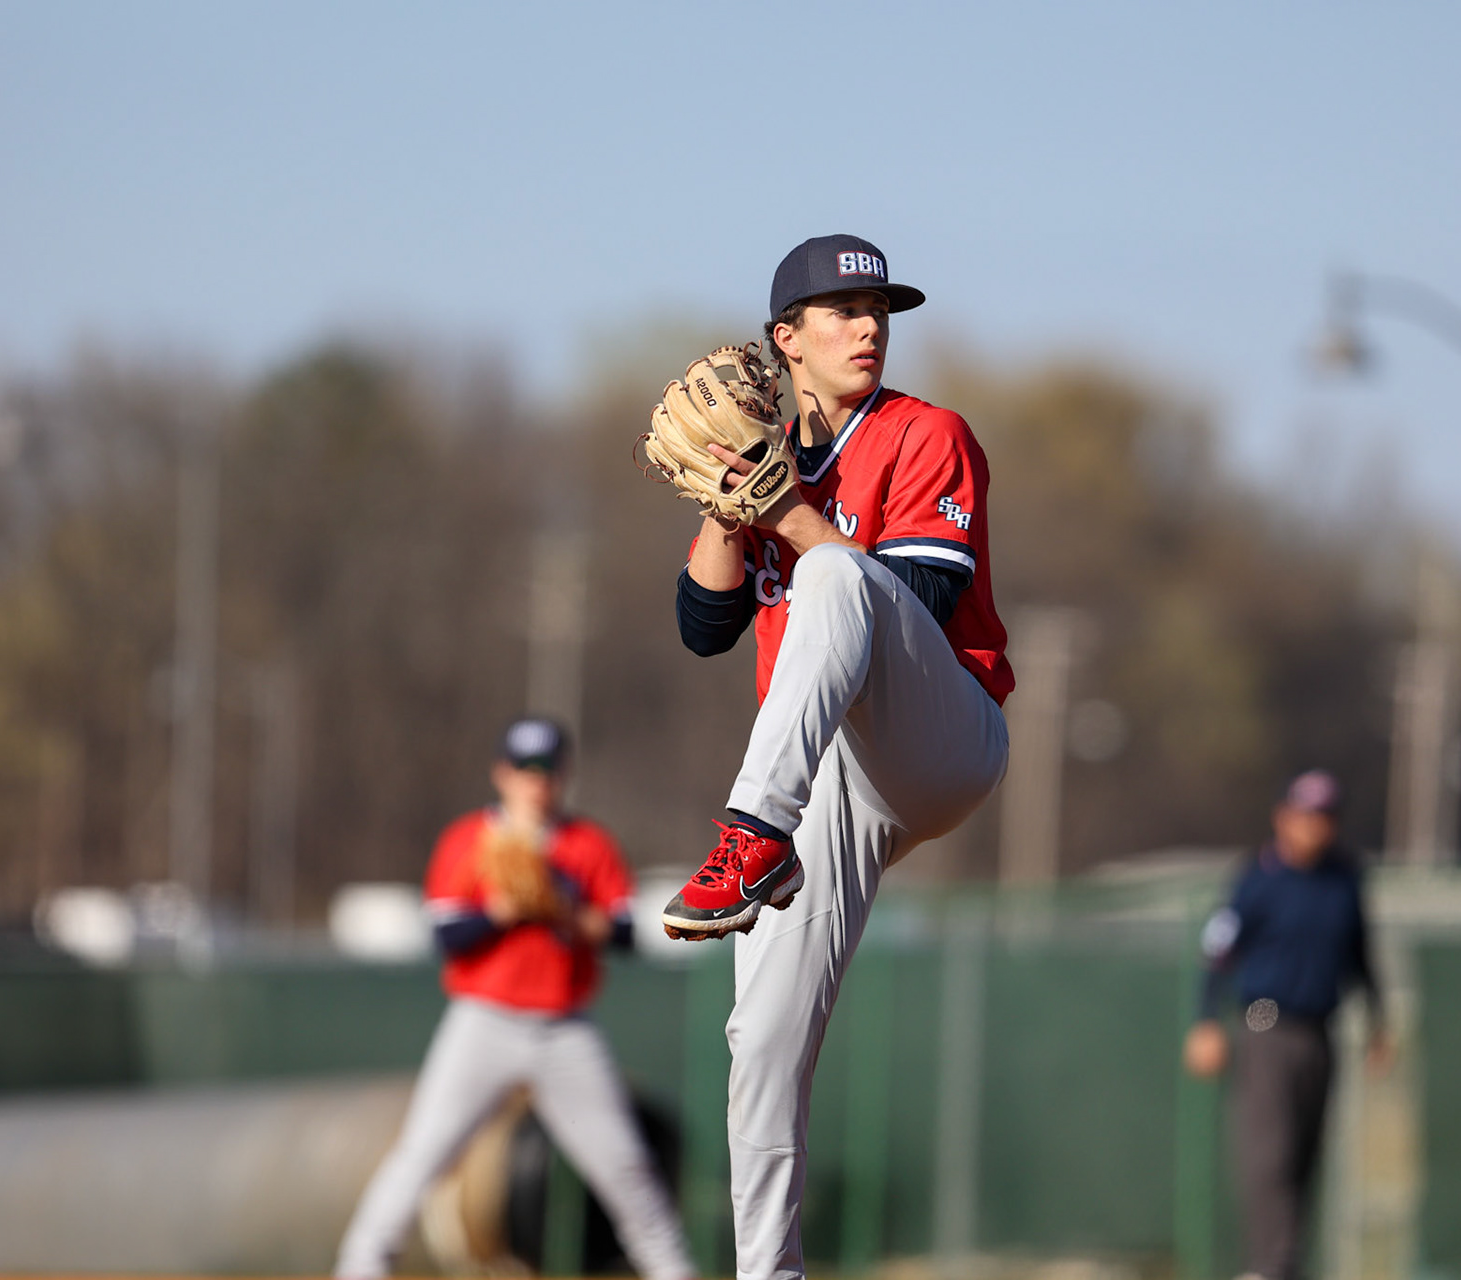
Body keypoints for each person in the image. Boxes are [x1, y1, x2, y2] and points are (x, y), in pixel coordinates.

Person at [662, 234, 1012, 1280]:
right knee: (758, 1035)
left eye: (879, 309)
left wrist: (792, 512)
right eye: (841, 309)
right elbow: (701, 627)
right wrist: (731, 505)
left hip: (939, 734)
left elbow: (918, 602)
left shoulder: (924, 432)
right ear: (788, 339)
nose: (868, 325)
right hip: (826, 777)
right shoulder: (769, 451)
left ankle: (750, 834)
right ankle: (767, 1271)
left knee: (834, 582)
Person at [334, 717, 694, 1280]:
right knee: (422, 1156)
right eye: (526, 769)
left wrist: (565, 912)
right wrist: (501, 910)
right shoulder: (470, 841)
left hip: (565, 1028)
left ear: (564, 775)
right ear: (502, 774)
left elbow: (625, 932)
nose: (537, 781)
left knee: (626, 1168)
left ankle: (676, 1273)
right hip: (484, 1022)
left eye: (548, 769)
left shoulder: (586, 846)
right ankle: (359, 1270)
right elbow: (445, 934)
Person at [1182, 769, 1391, 1280]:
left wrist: (1378, 1018)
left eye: (1326, 816)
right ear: (1283, 817)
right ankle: (1268, 1267)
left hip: (1321, 1029)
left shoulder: (1344, 879)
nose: (1315, 826)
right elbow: (1218, 952)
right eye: (1306, 815)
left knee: (1305, 1154)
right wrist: (1206, 1020)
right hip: (1264, 1025)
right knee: (1268, 1154)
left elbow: (1361, 952)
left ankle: (1287, 1265)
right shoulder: (1257, 878)